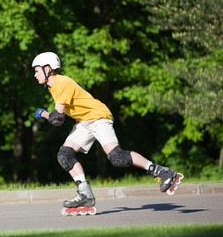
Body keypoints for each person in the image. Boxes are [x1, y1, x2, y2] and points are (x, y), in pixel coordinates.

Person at [32, 52, 183, 211]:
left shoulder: (61, 82)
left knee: (116, 157)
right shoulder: (52, 87)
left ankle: (162, 171)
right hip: (84, 121)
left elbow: (57, 119)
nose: (34, 74)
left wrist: (43, 114)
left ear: (47, 68)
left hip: (98, 117)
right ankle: (85, 195)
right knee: (65, 155)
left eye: (36, 70)